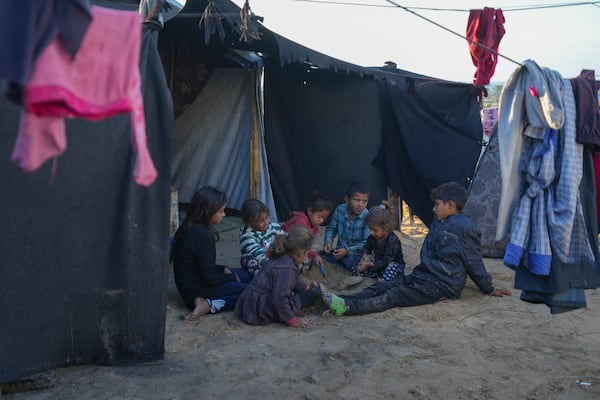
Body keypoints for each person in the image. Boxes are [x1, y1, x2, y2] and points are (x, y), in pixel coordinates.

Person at [319, 182, 511, 316]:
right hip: (424, 275)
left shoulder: (465, 228)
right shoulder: (439, 221)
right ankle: (339, 299)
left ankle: (346, 307)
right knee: (386, 285)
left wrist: (489, 288)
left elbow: (473, 261)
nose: (433, 209)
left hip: (443, 284)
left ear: (451, 205)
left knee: (395, 295)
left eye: (437, 205)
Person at [172, 186, 251, 321]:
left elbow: (200, 265)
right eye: (220, 211)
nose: (224, 214)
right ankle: (209, 305)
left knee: (246, 274)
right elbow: (209, 278)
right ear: (208, 211)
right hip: (196, 292)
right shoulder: (202, 235)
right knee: (250, 292)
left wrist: (223, 269)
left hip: (190, 286)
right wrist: (231, 278)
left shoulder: (190, 226)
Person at [235, 225, 320, 328]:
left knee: (306, 293)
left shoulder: (281, 257)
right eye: (306, 254)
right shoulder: (286, 268)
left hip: (251, 303)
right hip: (260, 309)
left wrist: (304, 288)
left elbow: (295, 280)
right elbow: (279, 299)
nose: (306, 258)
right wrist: (291, 320)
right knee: (308, 297)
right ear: (300, 252)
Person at [322, 181, 370, 273]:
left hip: (355, 253)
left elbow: (366, 242)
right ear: (347, 199)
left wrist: (347, 251)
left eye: (365, 201)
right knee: (322, 256)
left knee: (352, 261)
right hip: (339, 250)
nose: (360, 205)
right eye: (357, 200)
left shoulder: (367, 216)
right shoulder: (340, 210)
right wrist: (328, 241)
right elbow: (332, 228)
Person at [281, 191, 333, 269]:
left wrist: (314, 255)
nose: (321, 221)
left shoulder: (315, 228)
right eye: (319, 217)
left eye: (324, 218)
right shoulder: (300, 221)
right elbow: (294, 245)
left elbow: (306, 246)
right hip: (283, 249)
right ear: (310, 211)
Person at [357, 204, 406, 282]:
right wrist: (364, 257)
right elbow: (367, 247)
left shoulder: (392, 240)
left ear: (386, 227)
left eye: (375, 230)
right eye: (370, 229)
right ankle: (378, 276)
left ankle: (384, 280)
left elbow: (387, 260)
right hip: (378, 264)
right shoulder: (372, 237)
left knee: (392, 266)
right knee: (358, 269)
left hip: (391, 265)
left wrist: (369, 264)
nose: (371, 232)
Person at [239, 198, 284, 277]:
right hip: (261, 261)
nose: (266, 222)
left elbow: (284, 241)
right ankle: (265, 278)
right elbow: (257, 254)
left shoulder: (274, 227)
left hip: (275, 257)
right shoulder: (247, 235)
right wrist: (272, 266)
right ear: (250, 222)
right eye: (260, 221)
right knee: (247, 259)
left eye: (267, 218)